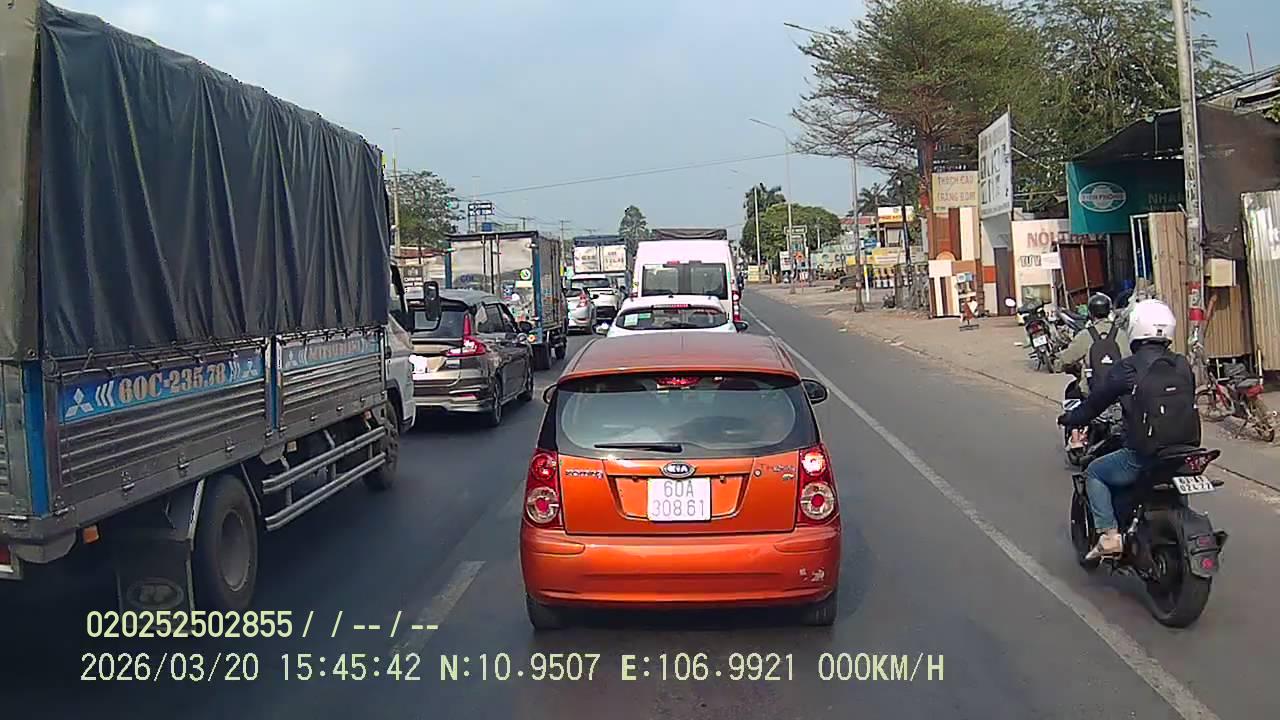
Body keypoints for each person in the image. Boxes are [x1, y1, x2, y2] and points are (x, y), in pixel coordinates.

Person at [1057, 299, 1199, 559]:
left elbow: (1095, 403)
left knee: (1094, 473)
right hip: (1185, 450)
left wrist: (1071, 418)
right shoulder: (1182, 364)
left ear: (1136, 327)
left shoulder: (1129, 368)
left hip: (1143, 453)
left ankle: (1110, 535)